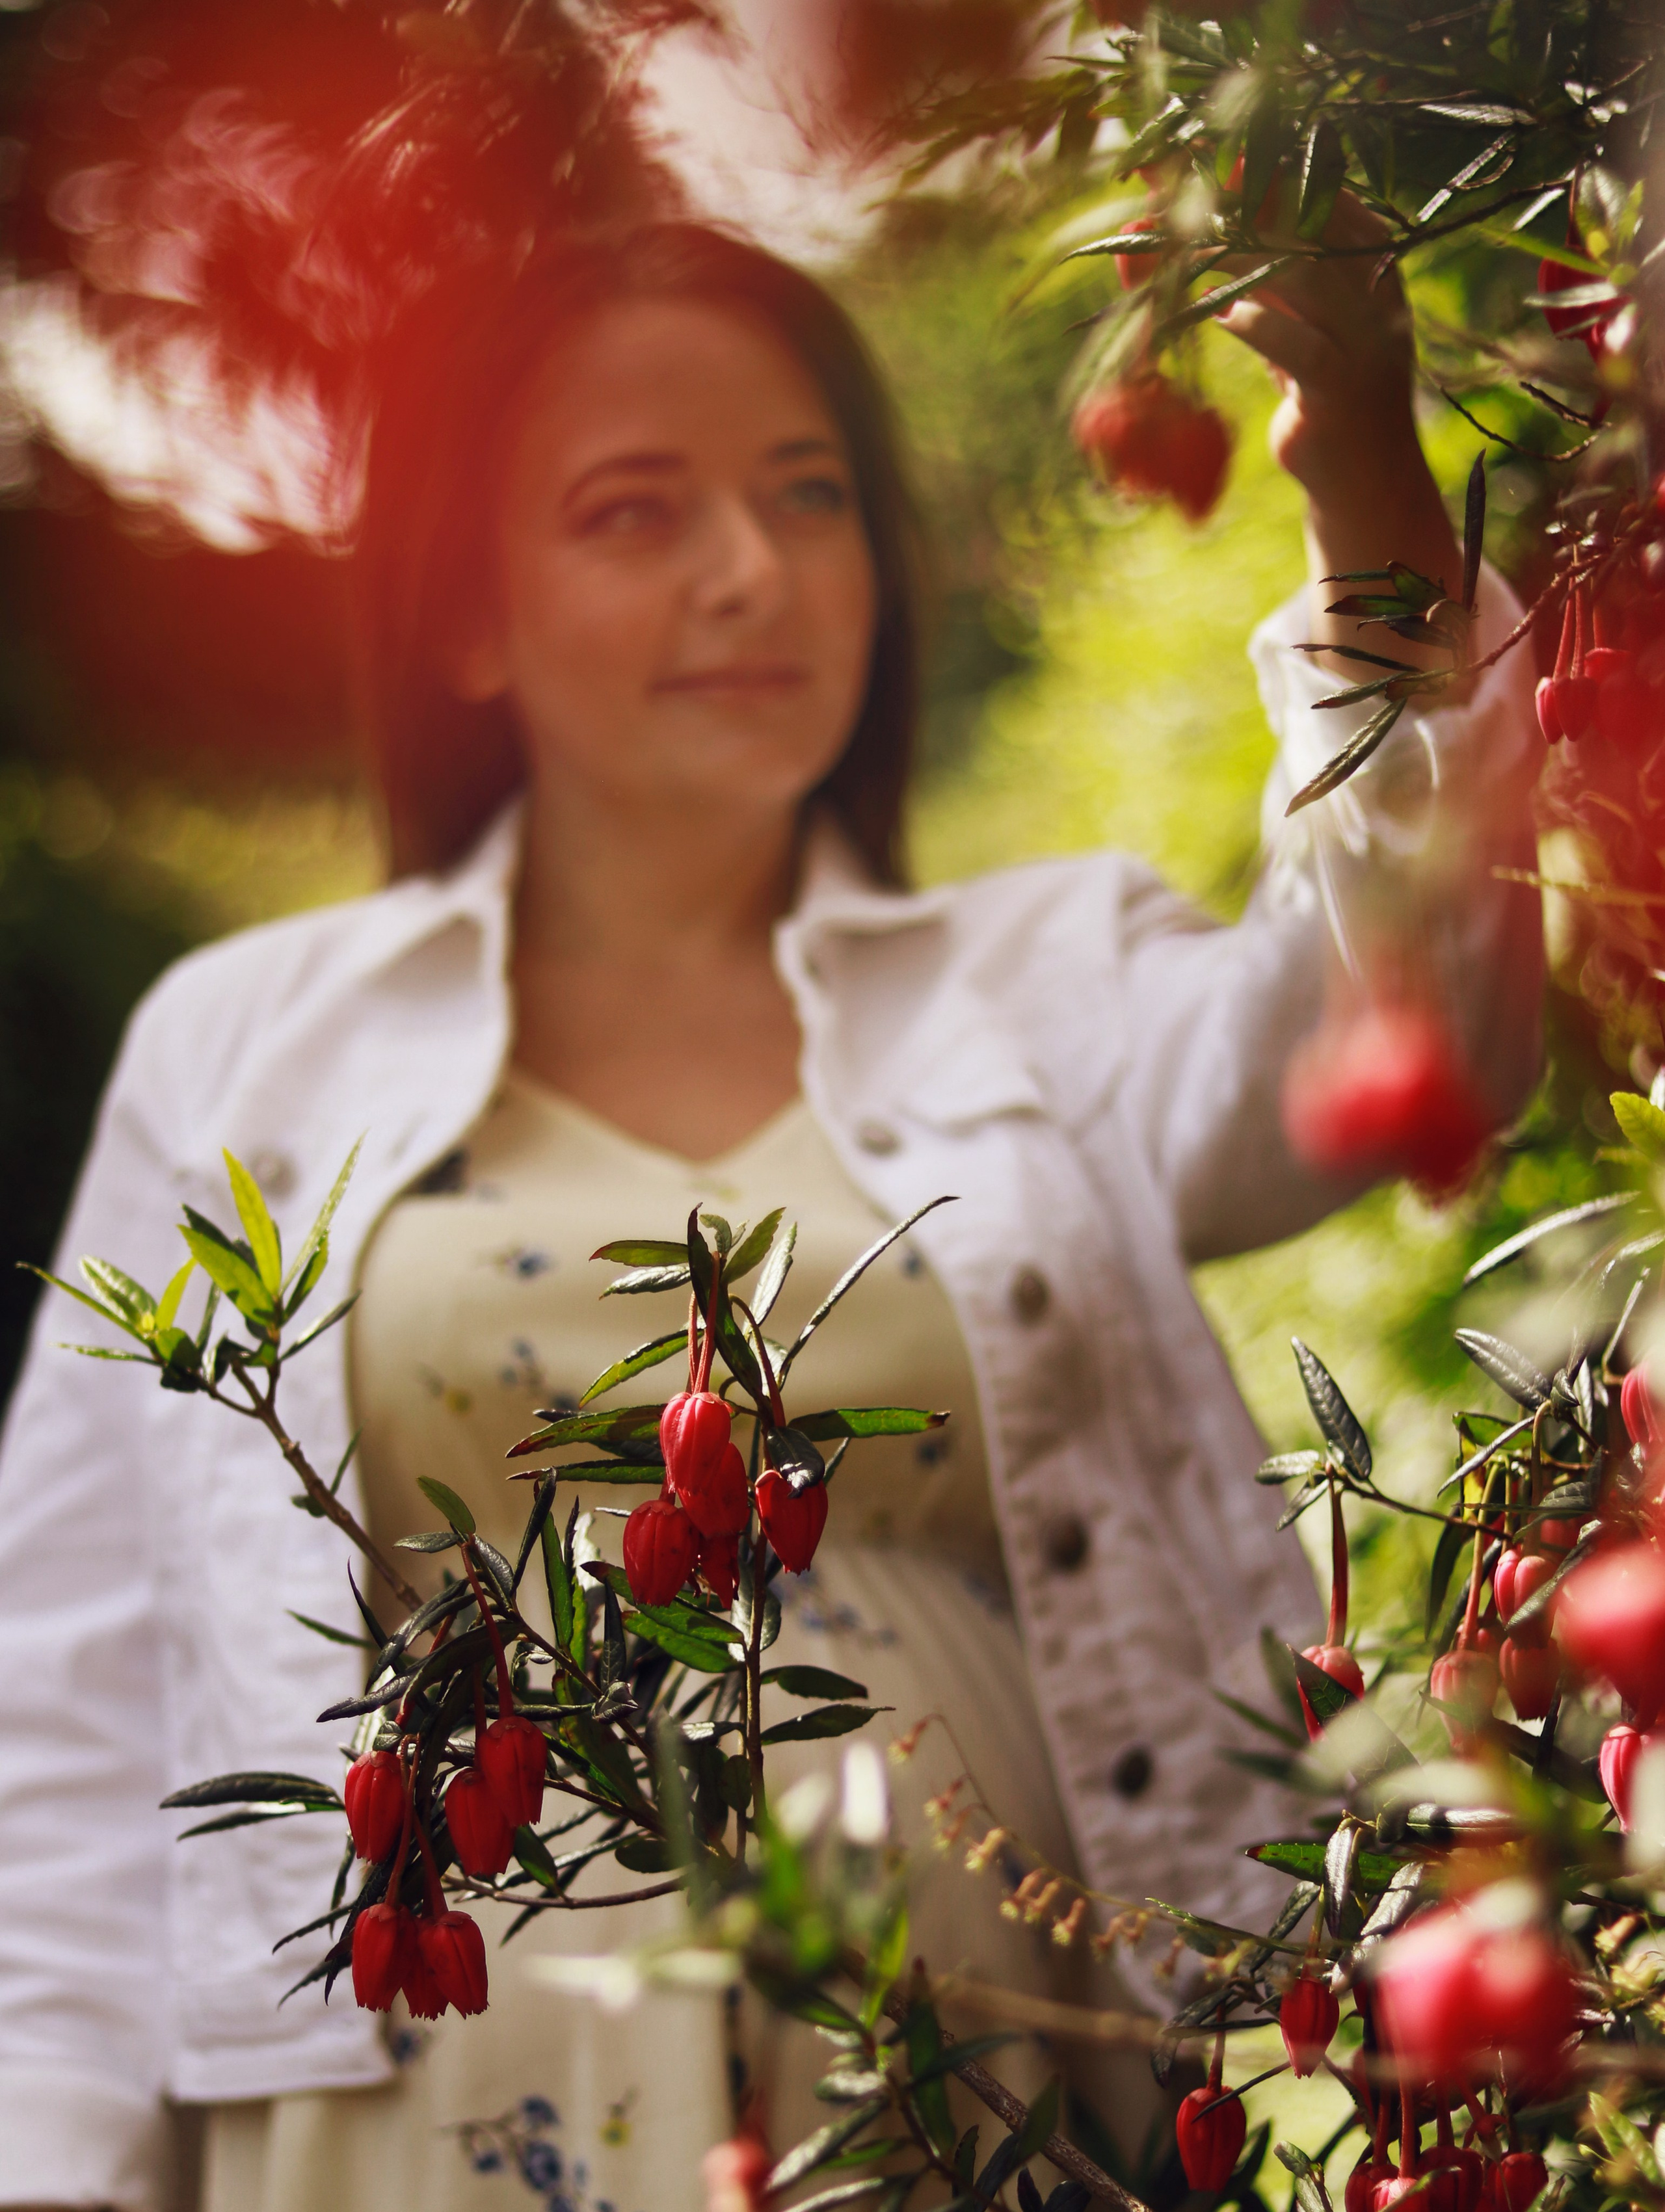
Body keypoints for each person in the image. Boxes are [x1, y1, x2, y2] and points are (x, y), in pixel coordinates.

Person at [0, 217, 1540, 2212]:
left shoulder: (1041, 982)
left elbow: (1411, 1025)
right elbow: (72, 1684)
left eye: (807, 496)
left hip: (976, 2096)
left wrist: (1356, 461)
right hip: (404, 2131)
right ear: (471, 613)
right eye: (637, 511)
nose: (752, 572)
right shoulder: (251, 1049)